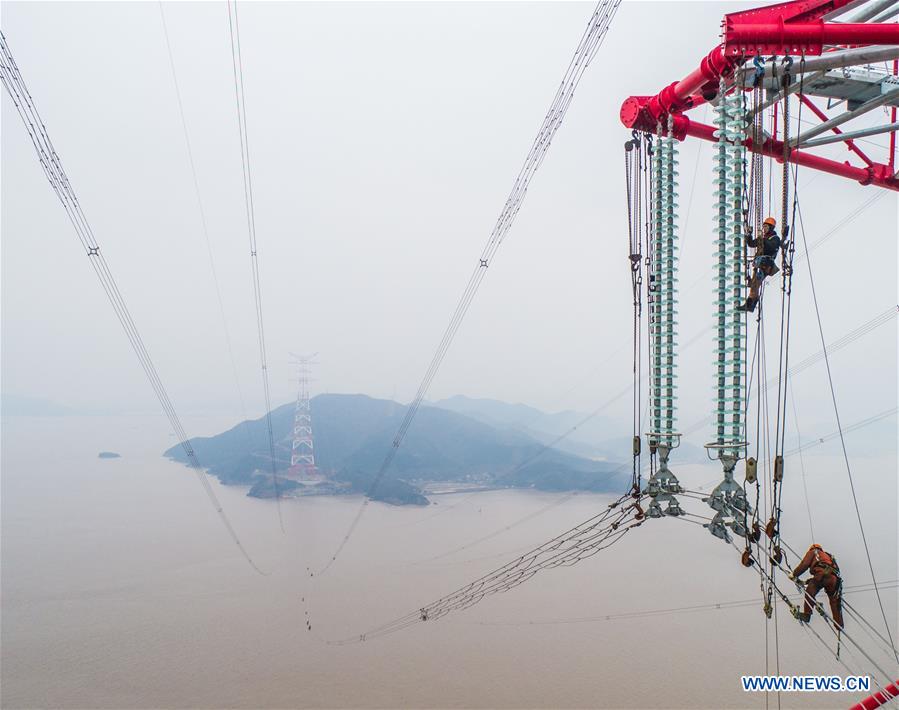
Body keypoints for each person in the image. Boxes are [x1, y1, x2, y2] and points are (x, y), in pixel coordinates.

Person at [789, 543, 843, 628]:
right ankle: (839, 625)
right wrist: (806, 582)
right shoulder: (829, 556)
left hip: (823, 575)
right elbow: (821, 573)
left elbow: (805, 564)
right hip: (834, 579)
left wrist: (794, 574)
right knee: (835, 602)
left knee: (810, 592)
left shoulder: (813, 552)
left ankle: (807, 614)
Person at [738, 217, 782, 313]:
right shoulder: (764, 239)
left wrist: (762, 240)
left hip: (766, 265)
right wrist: (749, 234)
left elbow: (771, 247)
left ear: (771, 228)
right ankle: (752, 304)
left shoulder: (775, 239)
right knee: (755, 283)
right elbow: (751, 244)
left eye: (766, 227)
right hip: (760, 264)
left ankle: (749, 304)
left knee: (755, 283)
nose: (764, 229)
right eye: (764, 227)